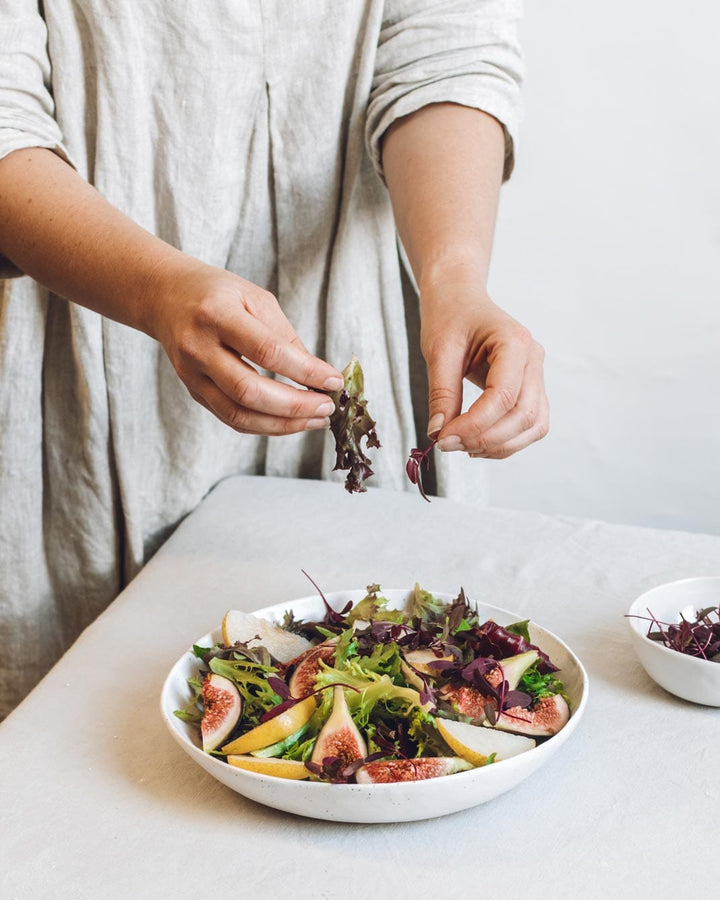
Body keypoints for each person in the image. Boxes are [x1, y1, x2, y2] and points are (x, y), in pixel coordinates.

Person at [0, 0, 548, 717]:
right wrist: (158, 292)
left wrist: (453, 278)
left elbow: (445, 46)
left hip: (362, 326)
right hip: (90, 339)